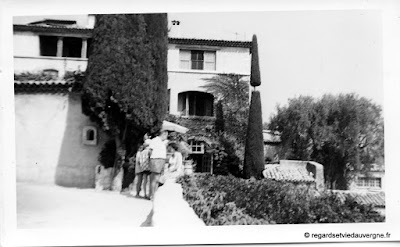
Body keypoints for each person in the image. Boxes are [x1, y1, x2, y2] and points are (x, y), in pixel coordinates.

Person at [148, 130, 169, 200]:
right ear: (163, 134)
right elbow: (150, 151)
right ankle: (152, 195)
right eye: (166, 135)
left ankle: (155, 194)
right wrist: (151, 160)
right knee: (155, 178)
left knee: (157, 179)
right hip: (155, 159)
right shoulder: (154, 140)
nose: (166, 137)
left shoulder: (163, 142)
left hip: (161, 160)